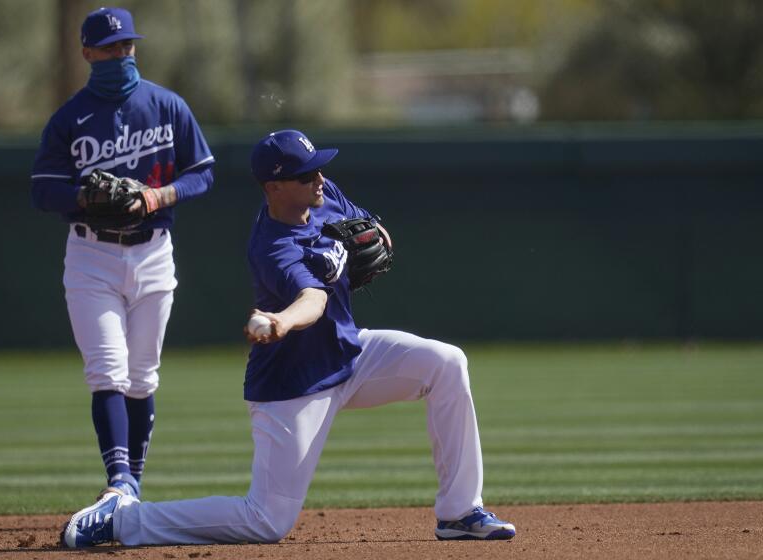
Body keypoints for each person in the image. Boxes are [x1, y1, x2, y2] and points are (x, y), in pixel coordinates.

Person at [60, 130, 514, 548]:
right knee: (266, 521)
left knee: (446, 363)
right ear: (273, 186)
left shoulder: (324, 193)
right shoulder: (272, 245)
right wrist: (280, 322)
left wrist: (376, 242)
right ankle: (121, 520)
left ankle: (458, 513)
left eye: (318, 167)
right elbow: (313, 301)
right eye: (304, 174)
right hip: (293, 384)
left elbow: (374, 233)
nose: (318, 178)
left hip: (349, 354)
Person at [31, 7, 215, 500]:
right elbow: (44, 190)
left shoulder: (166, 105)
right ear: (88, 53)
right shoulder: (69, 118)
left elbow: (202, 173)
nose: (120, 55)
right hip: (92, 255)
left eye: (127, 46)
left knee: (142, 375)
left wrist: (159, 196)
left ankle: (131, 484)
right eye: (110, 48)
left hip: (154, 251)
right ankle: (119, 480)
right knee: (107, 369)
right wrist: (84, 198)